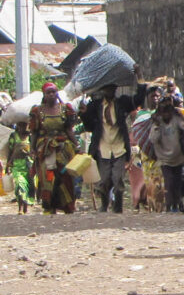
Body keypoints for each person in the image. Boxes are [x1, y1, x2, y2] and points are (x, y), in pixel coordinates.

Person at [81, 66, 146, 213]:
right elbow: (89, 125)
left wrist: (140, 78)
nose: (109, 92)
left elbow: (139, 99)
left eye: (112, 89)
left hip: (119, 147)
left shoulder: (122, 103)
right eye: (106, 89)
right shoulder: (95, 106)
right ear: (103, 91)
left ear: (115, 90)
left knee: (118, 179)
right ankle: (104, 206)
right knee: (104, 180)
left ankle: (118, 208)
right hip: (102, 147)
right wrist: (83, 114)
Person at [29, 83, 80, 214]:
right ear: (44, 95)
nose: (51, 95)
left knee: (65, 177)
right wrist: (32, 149)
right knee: (47, 177)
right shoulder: (37, 111)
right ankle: (49, 206)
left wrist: (77, 145)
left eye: (53, 92)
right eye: (48, 92)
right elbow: (34, 132)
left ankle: (68, 206)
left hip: (63, 148)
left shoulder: (65, 109)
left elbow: (69, 129)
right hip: (45, 149)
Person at [150, 96, 184, 213]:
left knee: (177, 182)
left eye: (168, 112)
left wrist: (182, 116)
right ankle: (170, 206)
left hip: (178, 157)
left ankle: (177, 203)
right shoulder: (157, 123)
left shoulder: (176, 119)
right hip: (164, 158)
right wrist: (157, 126)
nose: (166, 115)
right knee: (169, 182)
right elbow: (153, 139)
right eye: (163, 112)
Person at [5, 121, 35, 213]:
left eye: (24, 125)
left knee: (29, 185)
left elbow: (34, 151)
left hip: (28, 165)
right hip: (17, 165)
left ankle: (25, 206)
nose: (23, 127)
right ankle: (20, 208)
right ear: (17, 126)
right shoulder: (13, 136)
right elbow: (10, 150)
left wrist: (28, 153)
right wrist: (8, 164)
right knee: (20, 185)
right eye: (20, 125)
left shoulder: (31, 137)